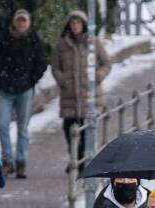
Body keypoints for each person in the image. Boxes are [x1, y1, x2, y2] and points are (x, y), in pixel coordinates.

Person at [0, 8, 48, 179]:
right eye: (19, 20)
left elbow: (42, 62)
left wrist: (31, 80)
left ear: (29, 23)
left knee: (23, 128)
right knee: (2, 125)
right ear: (14, 22)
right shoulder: (5, 38)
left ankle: (21, 162)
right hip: (5, 88)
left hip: (25, 89)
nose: (21, 23)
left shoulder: (33, 40)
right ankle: (7, 160)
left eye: (24, 20)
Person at [53, 10, 110, 169]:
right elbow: (55, 67)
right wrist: (62, 80)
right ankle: (75, 157)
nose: (75, 26)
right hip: (70, 96)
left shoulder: (93, 42)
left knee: (86, 132)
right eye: (72, 23)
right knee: (68, 129)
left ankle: (81, 163)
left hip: (89, 96)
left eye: (78, 22)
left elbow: (106, 63)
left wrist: (97, 77)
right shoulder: (62, 45)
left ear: (84, 25)